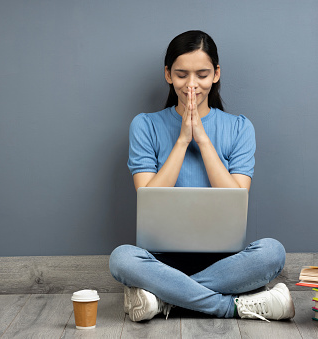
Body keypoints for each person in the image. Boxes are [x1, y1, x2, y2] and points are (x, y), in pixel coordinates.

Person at [109, 30, 295, 322]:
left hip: (225, 262)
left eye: (202, 74)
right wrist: (182, 141)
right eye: (182, 75)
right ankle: (231, 306)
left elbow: (236, 196)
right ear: (168, 75)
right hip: (160, 261)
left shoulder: (239, 127)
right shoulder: (145, 125)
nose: (192, 85)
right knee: (121, 258)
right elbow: (149, 194)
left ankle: (163, 298)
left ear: (216, 74)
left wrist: (204, 141)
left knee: (272, 252)